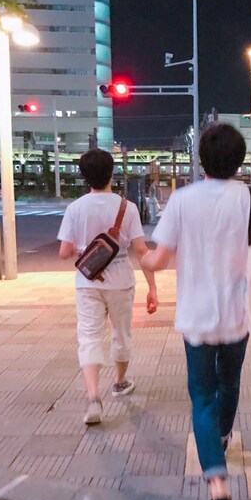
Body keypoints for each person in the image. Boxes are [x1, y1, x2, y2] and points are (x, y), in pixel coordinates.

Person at [142, 123, 251, 500]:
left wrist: (143, 260)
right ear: (239, 159)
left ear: (201, 158)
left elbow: (159, 259)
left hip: (196, 317)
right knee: (230, 382)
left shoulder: (183, 200)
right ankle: (220, 438)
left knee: (202, 395)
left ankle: (218, 487)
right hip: (239, 315)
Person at [58, 149, 159, 425]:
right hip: (121, 280)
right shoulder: (127, 207)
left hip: (87, 281)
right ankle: (119, 382)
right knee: (122, 334)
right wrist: (152, 287)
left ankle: (93, 398)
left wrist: (84, 248)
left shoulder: (75, 208)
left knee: (89, 336)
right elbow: (141, 250)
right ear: (111, 173)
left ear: (84, 176)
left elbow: (64, 252)